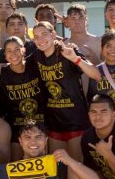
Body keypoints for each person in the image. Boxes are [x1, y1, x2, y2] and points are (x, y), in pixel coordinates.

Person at [28, 21, 100, 164]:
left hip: (76, 121)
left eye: (44, 34)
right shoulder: (36, 56)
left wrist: (75, 59)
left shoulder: (67, 51)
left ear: (53, 34)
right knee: (59, 169)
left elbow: (96, 75)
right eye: (36, 36)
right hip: (53, 123)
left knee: (78, 166)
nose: (40, 39)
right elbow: (19, 64)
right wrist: (1, 65)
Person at [0, 36, 43, 159]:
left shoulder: (35, 66)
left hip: (41, 126)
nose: (13, 54)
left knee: (44, 164)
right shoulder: (0, 75)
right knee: (17, 165)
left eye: (17, 49)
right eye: (9, 51)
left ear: (24, 50)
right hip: (16, 127)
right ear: (5, 55)